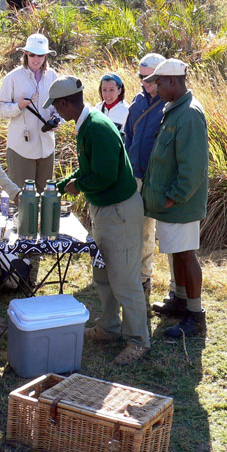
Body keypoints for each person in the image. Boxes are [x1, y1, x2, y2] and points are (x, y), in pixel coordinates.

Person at [44, 76, 150, 365]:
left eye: (55, 105)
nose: (55, 110)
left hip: (119, 211)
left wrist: (76, 187)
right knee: (103, 274)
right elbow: (89, 167)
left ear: (65, 103)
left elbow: (104, 176)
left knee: (125, 278)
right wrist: (64, 182)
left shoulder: (96, 127)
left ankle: (138, 340)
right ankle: (109, 327)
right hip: (105, 209)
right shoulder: (87, 123)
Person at [141, 59, 209, 338]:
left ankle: (195, 315)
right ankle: (180, 301)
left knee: (185, 255)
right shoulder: (175, 109)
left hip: (180, 203)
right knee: (176, 254)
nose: (155, 88)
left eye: (158, 83)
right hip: (170, 202)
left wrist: (174, 197)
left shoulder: (189, 114)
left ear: (172, 81)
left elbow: (193, 167)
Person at [123, 53, 170, 301]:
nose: (144, 82)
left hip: (156, 179)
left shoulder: (169, 104)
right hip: (134, 176)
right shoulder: (137, 101)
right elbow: (129, 136)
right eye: (141, 77)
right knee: (133, 229)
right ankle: (133, 278)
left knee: (148, 233)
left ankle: (144, 282)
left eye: (149, 77)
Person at [0, 33, 60, 192]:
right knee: (23, 198)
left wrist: (56, 121)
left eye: (40, 55)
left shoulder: (53, 76)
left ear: (46, 56)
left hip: (47, 147)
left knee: (46, 198)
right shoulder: (13, 77)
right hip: (20, 148)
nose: (36, 59)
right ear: (25, 54)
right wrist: (18, 106)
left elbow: (59, 106)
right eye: (32, 55)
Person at [94, 73, 129, 137]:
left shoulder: (127, 111)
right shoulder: (97, 109)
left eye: (111, 90)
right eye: (104, 90)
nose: (107, 94)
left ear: (119, 90)